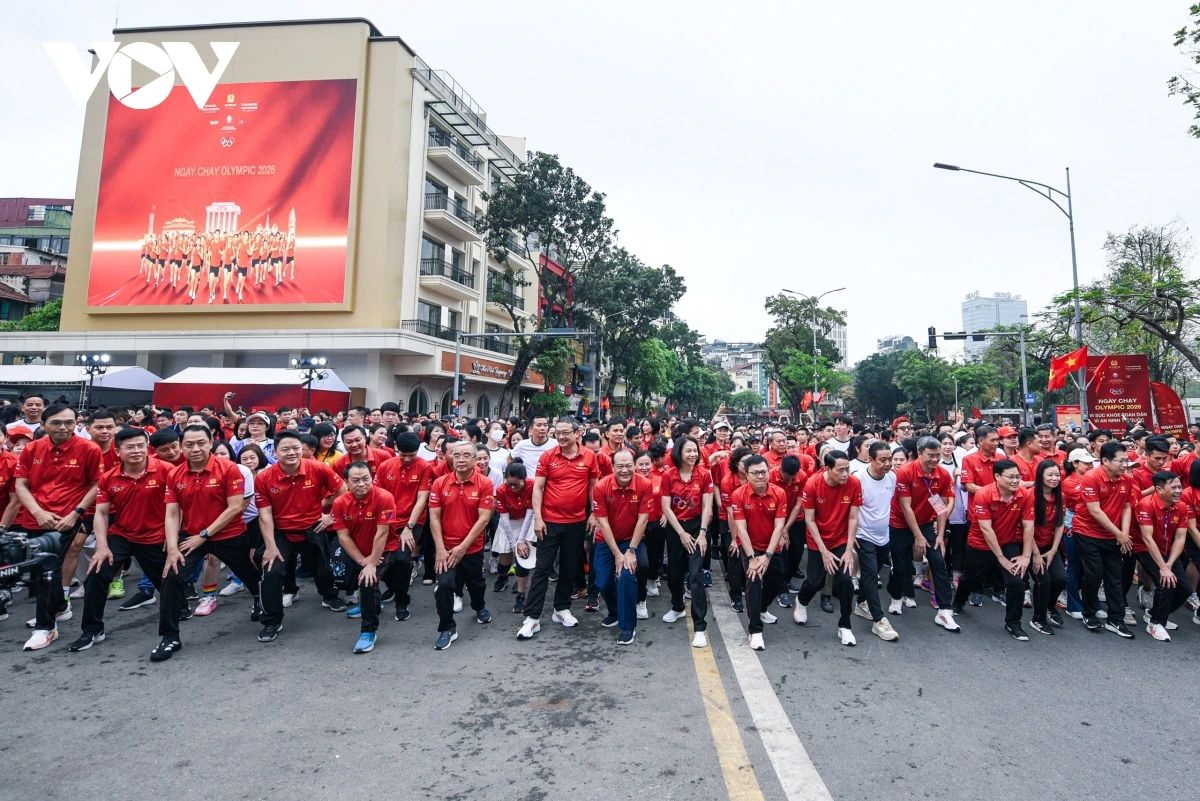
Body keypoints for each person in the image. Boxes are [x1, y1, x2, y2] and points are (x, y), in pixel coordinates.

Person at [160, 425, 262, 660]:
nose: (195, 449)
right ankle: (169, 636)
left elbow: (235, 507)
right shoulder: (175, 474)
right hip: (191, 536)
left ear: (210, 443)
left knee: (249, 573)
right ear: (181, 447)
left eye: (201, 443)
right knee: (171, 577)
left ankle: (260, 599)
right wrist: (173, 548)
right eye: (189, 444)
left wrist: (204, 535)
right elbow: (172, 513)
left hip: (229, 535)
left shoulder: (229, 469)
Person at [68, 428, 173, 653]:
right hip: (122, 535)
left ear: (147, 448)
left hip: (157, 536)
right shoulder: (109, 478)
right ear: (118, 452)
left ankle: (176, 615)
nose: (136, 451)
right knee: (96, 575)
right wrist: (102, 546)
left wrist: (172, 538)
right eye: (130, 447)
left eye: (140, 446)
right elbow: (101, 513)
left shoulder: (166, 470)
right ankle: (92, 630)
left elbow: (177, 509)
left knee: (168, 583)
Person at [14, 403, 102, 651]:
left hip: (67, 520)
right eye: (56, 422)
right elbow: (21, 485)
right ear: (43, 425)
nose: (63, 427)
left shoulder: (89, 449)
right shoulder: (32, 448)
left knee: (45, 569)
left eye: (69, 422)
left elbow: (97, 484)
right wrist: (38, 512)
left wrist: (76, 514)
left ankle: (46, 627)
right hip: (35, 518)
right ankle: (60, 607)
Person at [256, 430, 348, 640]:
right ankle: (272, 620)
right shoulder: (264, 477)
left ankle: (329, 596)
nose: (291, 453)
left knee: (323, 567)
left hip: (313, 527)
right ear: (275, 452)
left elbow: (342, 490)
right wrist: (270, 546)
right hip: (281, 531)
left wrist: (331, 516)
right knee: (271, 571)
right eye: (285, 449)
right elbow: (265, 514)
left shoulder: (318, 468)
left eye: (295, 448)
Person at [518, 417, 599, 640]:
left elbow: (593, 487)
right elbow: (538, 488)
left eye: (565, 433)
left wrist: (594, 513)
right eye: (557, 433)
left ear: (577, 433)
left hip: (576, 522)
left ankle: (561, 609)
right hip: (549, 523)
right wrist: (538, 519)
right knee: (542, 569)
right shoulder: (548, 456)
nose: (560, 437)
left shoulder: (589, 456)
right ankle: (532, 617)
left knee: (569, 567)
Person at [951, 460, 1034, 640]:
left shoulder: (1025, 494)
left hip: (1008, 542)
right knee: (970, 578)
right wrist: (1001, 558)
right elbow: (986, 528)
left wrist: (1026, 556)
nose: (1015, 481)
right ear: (997, 476)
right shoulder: (983, 494)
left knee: (1016, 582)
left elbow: (1028, 526)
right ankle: (958, 601)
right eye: (1010, 477)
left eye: (1018, 477)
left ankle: (1013, 623)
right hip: (980, 544)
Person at [428, 440, 495, 650]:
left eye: (466, 455)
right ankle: (447, 628)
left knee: (477, 584)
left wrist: (463, 547)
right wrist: (440, 549)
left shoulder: (484, 483)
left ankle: (479, 606)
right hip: (446, 548)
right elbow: (434, 517)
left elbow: (484, 519)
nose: (461, 460)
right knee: (444, 586)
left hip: (472, 547)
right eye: (457, 455)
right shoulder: (440, 483)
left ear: (475, 459)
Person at [332, 462, 404, 653]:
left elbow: (382, 533)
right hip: (358, 551)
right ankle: (370, 608)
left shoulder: (384, 497)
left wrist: (371, 563)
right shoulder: (340, 503)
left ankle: (369, 630)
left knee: (369, 580)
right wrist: (362, 560)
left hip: (385, 548)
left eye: (366, 479)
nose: (362, 484)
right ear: (346, 482)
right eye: (356, 480)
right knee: (361, 582)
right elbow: (343, 536)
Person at [888, 436, 958, 631]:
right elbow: (905, 507)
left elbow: (941, 507)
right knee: (900, 565)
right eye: (930, 455)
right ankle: (896, 596)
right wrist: (918, 537)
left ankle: (945, 610)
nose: (935, 459)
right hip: (900, 523)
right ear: (919, 454)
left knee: (938, 561)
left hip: (926, 522)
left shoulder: (943, 474)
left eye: (937, 455)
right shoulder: (905, 472)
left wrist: (939, 536)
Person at [794, 450, 862, 646]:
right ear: (827, 468)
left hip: (841, 540)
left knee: (846, 581)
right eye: (840, 470)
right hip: (818, 541)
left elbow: (853, 517)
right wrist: (824, 552)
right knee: (815, 582)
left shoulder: (854, 483)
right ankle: (801, 601)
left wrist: (849, 549)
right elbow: (809, 520)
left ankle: (845, 625)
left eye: (847, 469)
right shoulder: (812, 484)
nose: (845, 474)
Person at [1073, 441, 1135, 638]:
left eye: (1126, 460)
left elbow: (1127, 506)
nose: (1125, 464)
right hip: (1087, 532)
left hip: (1112, 535)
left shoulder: (1126, 479)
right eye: (1121, 461)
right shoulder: (1091, 477)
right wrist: (1119, 534)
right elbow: (1094, 510)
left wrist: (1124, 533)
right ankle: (1089, 613)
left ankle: (1115, 619)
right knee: (1094, 574)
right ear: (1106, 461)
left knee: (1115, 576)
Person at [592, 449, 655, 644]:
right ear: (612, 467)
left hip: (632, 539)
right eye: (620, 466)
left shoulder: (644, 485)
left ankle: (628, 626)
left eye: (629, 465)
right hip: (606, 539)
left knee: (627, 576)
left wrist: (630, 551)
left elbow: (643, 520)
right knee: (603, 582)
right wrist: (617, 554)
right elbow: (603, 523)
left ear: (634, 465)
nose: (625, 470)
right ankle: (615, 612)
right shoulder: (601, 487)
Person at [659, 434, 714, 648]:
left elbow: (707, 506)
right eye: (688, 451)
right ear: (679, 453)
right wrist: (681, 533)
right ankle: (677, 606)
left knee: (696, 577)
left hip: (697, 527)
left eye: (695, 451)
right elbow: (666, 507)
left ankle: (700, 627)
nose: (693, 454)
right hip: (676, 530)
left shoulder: (704, 474)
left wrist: (702, 533)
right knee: (674, 575)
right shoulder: (668, 475)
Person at [729, 454, 788, 650]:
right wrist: (752, 558)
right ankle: (755, 629)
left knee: (778, 582)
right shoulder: (738, 494)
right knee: (753, 581)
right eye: (755, 473)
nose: (760, 476)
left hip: (772, 546)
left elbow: (779, 527)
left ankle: (762, 608)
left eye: (763, 472)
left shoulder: (779, 493)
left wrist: (768, 556)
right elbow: (741, 528)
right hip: (750, 547)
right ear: (747, 475)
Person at [1134, 471, 1193, 641]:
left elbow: (1180, 538)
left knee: (1185, 589)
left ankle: (1156, 613)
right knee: (1165, 583)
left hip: (1168, 551)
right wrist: (1163, 568)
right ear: (1159, 489)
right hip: (1145, 548)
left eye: (1180, 487)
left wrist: (1169, 564)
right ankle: (1155, 623)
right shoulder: (1146, 504)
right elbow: (1147, 538)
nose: (1178, 491)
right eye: (1173, 487)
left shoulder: (1181, 507)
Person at [373, 432, 429, 613]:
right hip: (388, 519)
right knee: (385, 561)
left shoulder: (424, 467)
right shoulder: (385, 466)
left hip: (413, 520)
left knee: (402, 559)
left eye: (411, 455)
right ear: (396, 448)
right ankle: (395, 587)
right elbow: (379, 497)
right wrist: (388, 523)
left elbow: (422, 499)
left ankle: (402, 602)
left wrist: (409, 527)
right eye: (403, 455)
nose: (407, 459)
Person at [852, 442, 900, 641]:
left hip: (883, 536)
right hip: (863, 535)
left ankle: (861, 603)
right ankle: (879, 620)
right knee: (870, 574)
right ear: (870, 459)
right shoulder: (858, 479)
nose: (888, 463)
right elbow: (850, 510)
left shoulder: (892, 477)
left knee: (873, 572)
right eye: (883, 460)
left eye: (890, 459)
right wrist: (850, 536)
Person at [1029, 460, 1067, 635]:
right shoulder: (1030, 495)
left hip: (1050, 546)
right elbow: (1027, 528)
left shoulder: (1061, 496)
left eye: (1057, 475)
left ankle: (1049, 607)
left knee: (1060, 579)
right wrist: (1036, 554)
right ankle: (1038, 618)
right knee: (1043, 580)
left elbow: (1060, 524)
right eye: (1050, 475)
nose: (1054, 478)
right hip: (1030, 546)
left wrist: (1053, 550)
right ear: (1040, 476)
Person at [494, 461, 535, 614]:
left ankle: (521, 595)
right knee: (504, 562)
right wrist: (513, 543)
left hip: (526, 523)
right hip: (508, 525)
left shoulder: (532, 486)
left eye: (516, 485)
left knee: (522, 561)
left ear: (524, 478)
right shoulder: (501, 490)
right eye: (509, 484)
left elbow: (530, 514)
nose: (512, 487)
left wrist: (521, 541)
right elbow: (504, 519)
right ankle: (503, 575)